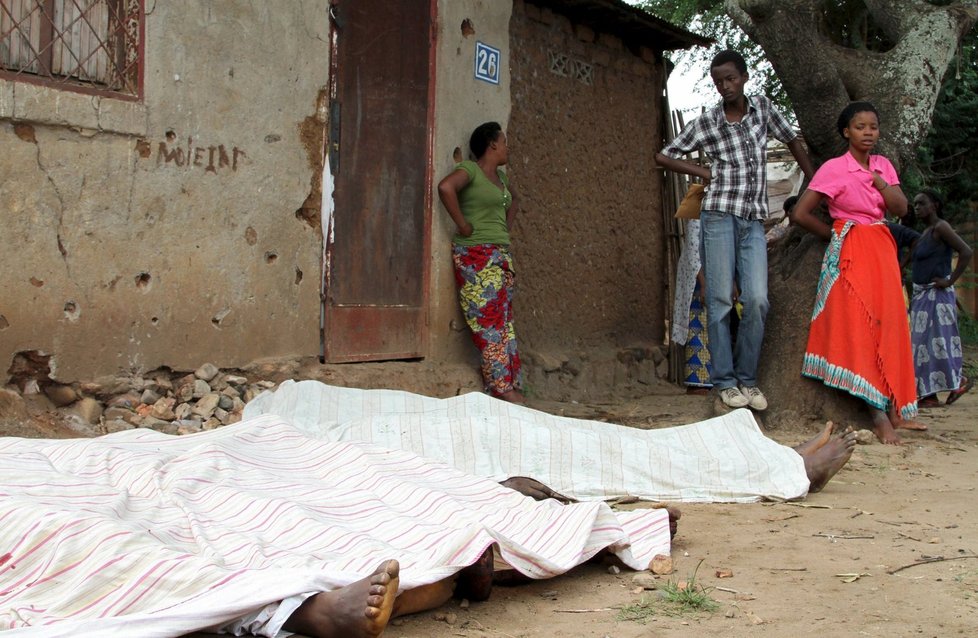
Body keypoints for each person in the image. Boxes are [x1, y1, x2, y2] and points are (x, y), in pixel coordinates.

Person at [655, 50, 815, 411]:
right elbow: (664, 155)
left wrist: (815, 184)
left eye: (730, 78)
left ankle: (748, 378)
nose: (725, 86)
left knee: (757, 299)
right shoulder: (709, 121)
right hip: (718, 216)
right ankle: (726, 382)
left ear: (744, 77)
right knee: (721, 300)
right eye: (718, 82)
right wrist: (705, 174)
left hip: (752, 220)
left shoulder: (763, 110)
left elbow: (792, 139)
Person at [789, 101, 923, 445]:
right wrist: (834, 232)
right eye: (860, 127)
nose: (868, 133)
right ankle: (877, 415)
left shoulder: (883, 166)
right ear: (847, 132)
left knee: (890, 324)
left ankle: (897, 408)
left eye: (873, 127)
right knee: (862, 330)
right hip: (851, 250)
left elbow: (901, 208)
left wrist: (878, 181)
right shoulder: (834, 168)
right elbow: (801, 214)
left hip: (881, 247)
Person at [438, 122, 524, 404]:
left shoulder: (501, 179)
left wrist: (503, 232)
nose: (508, 147)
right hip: (476, 256)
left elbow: (513, 203)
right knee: (489, 323)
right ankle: (501, 387)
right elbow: (446, 188)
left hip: (500, 256)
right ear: (492, 145)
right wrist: (463, 225)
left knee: (505, 322)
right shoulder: (471, 171)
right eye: (505, 141)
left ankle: (511, 382)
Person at [908, 189, 974, 407]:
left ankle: (958, 381)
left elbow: (966, 251)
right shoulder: (925, 233)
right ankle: (929, 394)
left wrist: (950, 280)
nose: (917, 208)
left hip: (937, 298)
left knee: (938, 344)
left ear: (934, 205)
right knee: (921, 346)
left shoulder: (941, 227)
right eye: (915, 204)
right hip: (922, 297)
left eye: (921, 203)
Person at [672, 219, 713, 394]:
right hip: (698, 281)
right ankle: (698, 384)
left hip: (712, 275)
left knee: (710, 330)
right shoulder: (696, 217)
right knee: (698, 329)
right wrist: (703, 284)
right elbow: (694, 254)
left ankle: (708, 381)